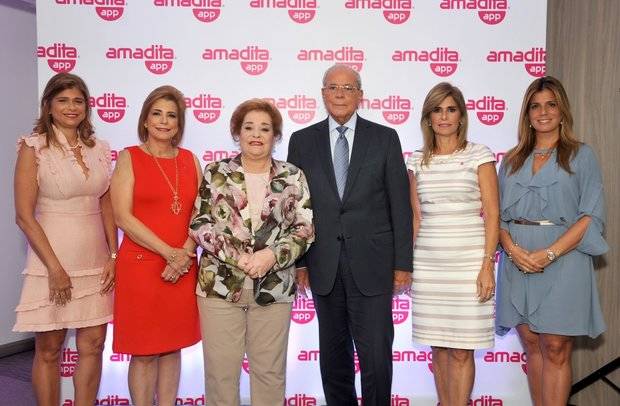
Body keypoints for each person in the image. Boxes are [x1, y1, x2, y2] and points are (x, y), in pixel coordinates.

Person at [287, 64, 412, 405]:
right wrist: (299, 263)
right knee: (333, 358)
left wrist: (403, 263)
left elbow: (400, 205)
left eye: (347, 87)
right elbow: (296, 210)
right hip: (323, 265)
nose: (340, 93)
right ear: (323, 94)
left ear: (360, 95)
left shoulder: (385, 138)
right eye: (332, 87)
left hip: (373, 265)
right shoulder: (302, 141)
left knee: (376, 358)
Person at [189, 99, 314, 406]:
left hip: (274, 288)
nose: (256, 135)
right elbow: (200, 224)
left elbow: (305, 229)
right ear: (237, 133)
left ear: (276, 136)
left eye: (265, 128)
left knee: (270, 373)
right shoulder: (216, 172)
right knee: (220, 375)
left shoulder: (293, 176)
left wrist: (270, 256)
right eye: (248, 127)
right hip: (220, 286)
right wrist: (239, 257)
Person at [496, 76, 607, 406]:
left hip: (564, 259)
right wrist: (514, 251)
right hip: (517, 261)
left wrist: (550, 253)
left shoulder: (581, 155)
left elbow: (589, 215)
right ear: (527, 113)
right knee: (532, 346)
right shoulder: (512, 159)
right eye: (535, 105)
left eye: (550, 104)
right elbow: (498, 217)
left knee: (556, 348)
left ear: (562, 110)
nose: (543, 112)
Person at [13, 72, 116, 405]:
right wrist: (55, 268)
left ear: (86, 106)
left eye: (78, 101)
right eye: (63, 100)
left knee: (94, 345)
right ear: (49, 105)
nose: (72, 107)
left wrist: (114, 257)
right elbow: (24, 216)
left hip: (96, 261)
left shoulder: (99, 148)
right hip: (51, 262)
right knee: (49, 348)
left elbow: (106, 203)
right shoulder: (34, 147)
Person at [406, 82, 499, 406]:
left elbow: (493, 214)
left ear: (461, 116)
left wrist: (487, 265)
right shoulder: (417, 160)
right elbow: (415, 218)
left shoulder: (479, 154)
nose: (444, 116)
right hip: (430, 266)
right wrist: (408, 266)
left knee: (461, 349)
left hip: (469, 264)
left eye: (450, 109)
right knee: (439, 346)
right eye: (437, 110)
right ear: (428, 118)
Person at [111, 85, 202, 406]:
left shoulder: (191, 161)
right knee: (145, 352)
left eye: (172, 116)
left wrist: (185, 254)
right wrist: (170, 254)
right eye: (157, 114)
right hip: (141, 268)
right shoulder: (129, 158)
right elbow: (122, 216)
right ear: (145, 120)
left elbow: (200, 215)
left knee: (172, 346)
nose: (164, 121)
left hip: (183, 265)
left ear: (179, 124)